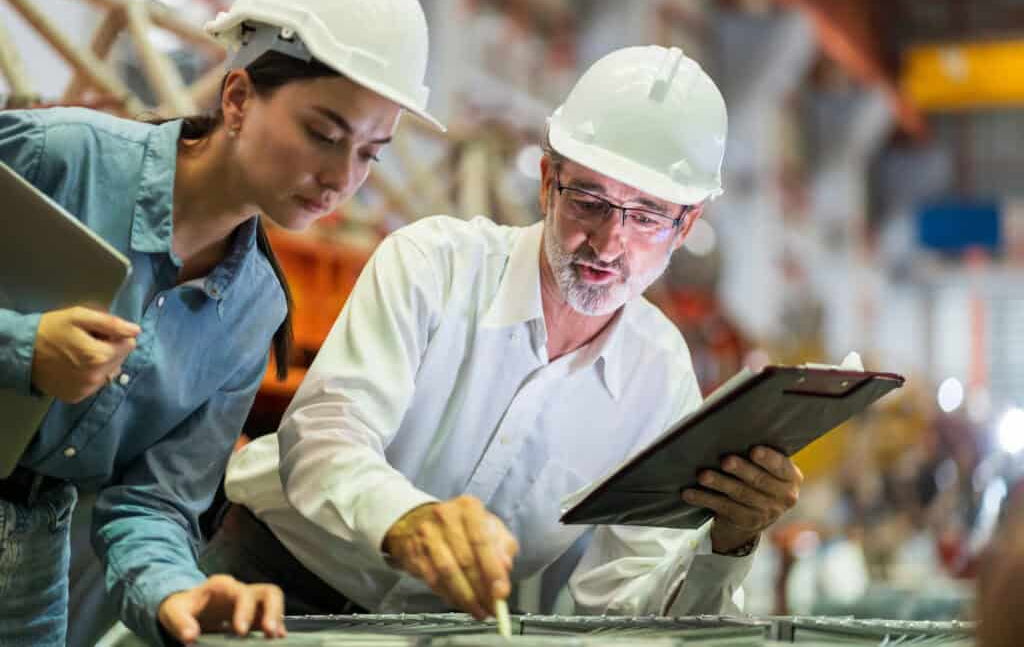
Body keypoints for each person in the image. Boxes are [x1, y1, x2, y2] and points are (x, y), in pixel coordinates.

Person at [203, 45, 803, 621]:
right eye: (589, 200)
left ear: (685, 224)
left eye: (645, 217)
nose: (608, 243)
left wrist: (727, 545)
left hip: (436, 629)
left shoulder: (660, 375)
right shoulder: (434, 265)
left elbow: (622, 602)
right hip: (265, 576)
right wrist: (405, 520)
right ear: (548, 181)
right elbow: (324, 438)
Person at [0, 0, 443, 644]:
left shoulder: (255, 310)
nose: (341, 178)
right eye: (324, 134)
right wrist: (24, 347)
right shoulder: (60, 159)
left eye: (370, 155)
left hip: (28, 576)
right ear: (237, 97)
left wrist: (179, 589)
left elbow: (151, 502)